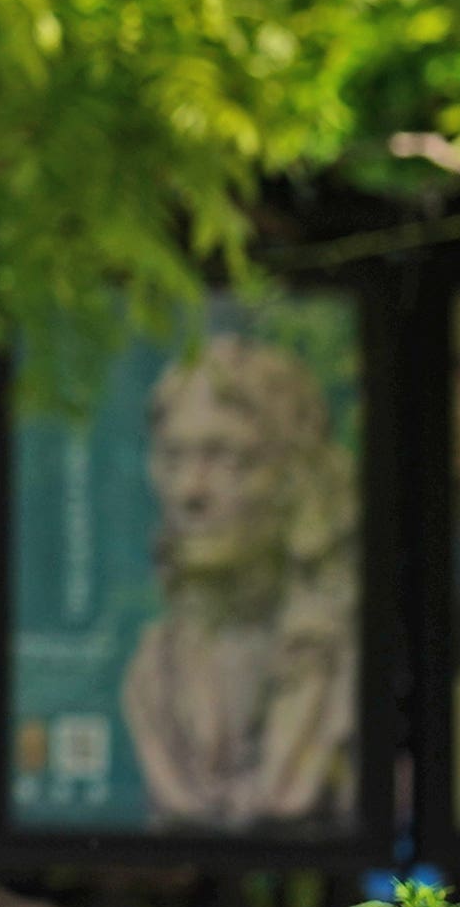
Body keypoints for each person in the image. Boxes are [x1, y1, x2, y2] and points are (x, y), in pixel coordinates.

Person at [118, 327, 358, 831]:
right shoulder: (152, 673)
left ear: (294, 476)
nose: (190, 492)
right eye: (174, 458)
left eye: (226, 458)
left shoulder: (341, 657)